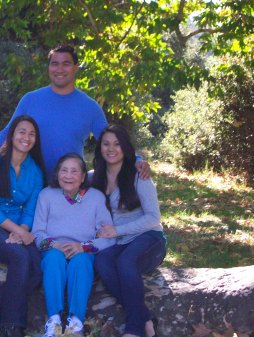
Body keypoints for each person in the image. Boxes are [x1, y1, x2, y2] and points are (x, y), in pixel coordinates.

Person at [0, 44, 150, 181]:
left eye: (66, 64)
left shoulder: (90, 107)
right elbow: (9, 131)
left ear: (75, 67)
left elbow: (112, 141)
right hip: (31, 181)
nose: (59, 69)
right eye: (54, 63)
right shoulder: (31, 99)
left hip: (70, 184)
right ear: (49, 67)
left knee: (71, 221)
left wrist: (138, 160)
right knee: (31, 222)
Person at [0, 115, 47, 337]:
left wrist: (22, 230)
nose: (27, 137)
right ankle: (12, 326)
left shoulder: (36, 171)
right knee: (20, 257)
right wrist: (18, 231)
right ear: (12, 135)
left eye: (32, 134)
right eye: (22, 132)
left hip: (15, 226)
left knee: (38, 263)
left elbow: (31, 208)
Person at [91, 125, 166, 337]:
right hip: (120, 242)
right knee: (103, 261)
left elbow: (154, 218)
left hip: (149, 238)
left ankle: (134, 330)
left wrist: (116, 230)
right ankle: (145, 318)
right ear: (100, 148)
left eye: (117, 144)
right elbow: (69, 182)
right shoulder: (94, 177)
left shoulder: (138, 175)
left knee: (125, 262)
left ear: (125, 147)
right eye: (106, 144)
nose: (111, 149)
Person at [32, 153, 115, 337]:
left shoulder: (95, 198)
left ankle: (76, 322)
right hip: (54, 248)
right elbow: (37, 233)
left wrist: (83, 246)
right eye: (64, 170)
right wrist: (56, 245)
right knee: (54, 260)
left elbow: (109, 237)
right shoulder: (46, 195)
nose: (68, 176)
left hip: (83, 248)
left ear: (83, 176)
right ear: (57, 173)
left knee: (81, 262)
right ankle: (54, 320)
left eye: (74, 171)